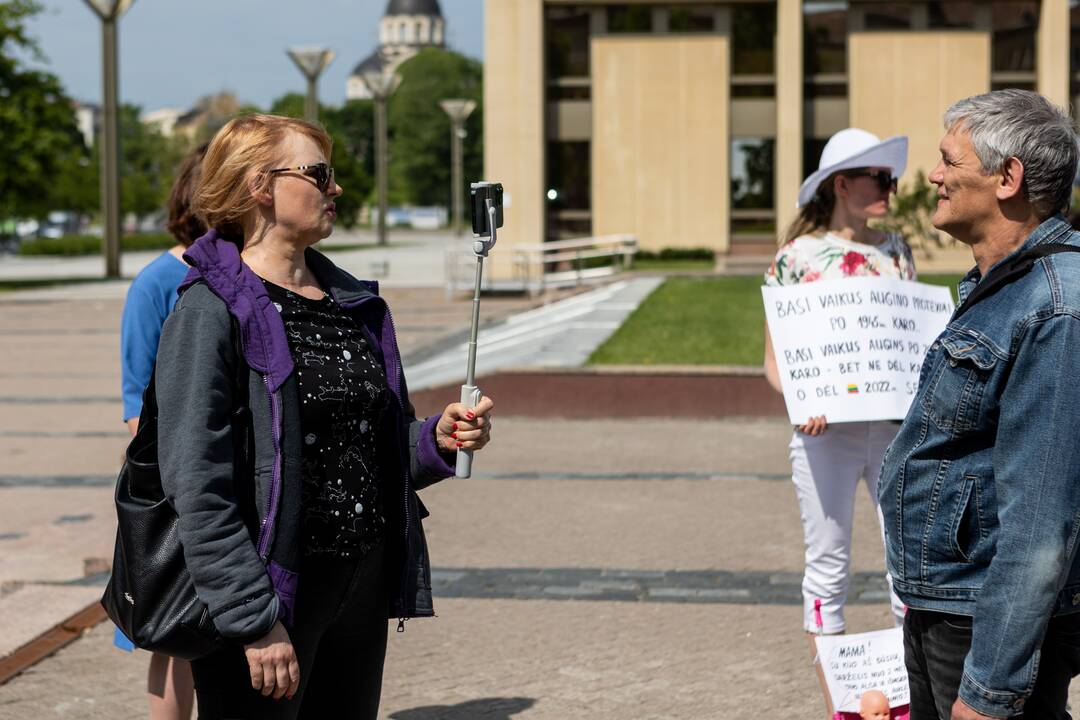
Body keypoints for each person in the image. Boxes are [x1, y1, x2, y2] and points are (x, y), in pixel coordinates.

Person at [153, 114, 493, 719]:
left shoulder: (350, 303)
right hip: (270, 595)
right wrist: (251, 622)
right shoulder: (209, 312)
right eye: (320, 173)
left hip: (359, 586)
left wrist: (433, 440)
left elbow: (366, 446)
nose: (336, 188)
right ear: (261, 186)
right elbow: (196, 483)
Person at [878, 90, 1080, 719]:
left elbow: (1044, 524)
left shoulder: (1056, 310)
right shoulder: (1003, 287)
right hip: (948, 604)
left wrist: (989, 690)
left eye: (949, 161)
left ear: (1007, 178)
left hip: (983, 621)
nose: (933, 177)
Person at [763, 128, 911, 716]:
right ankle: (841, 705)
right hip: (825, 437)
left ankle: (905, 697)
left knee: (908, 564)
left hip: (894, 430)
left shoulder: (898, 247)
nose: (890, 191)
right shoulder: (794, 259)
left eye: (891, 179)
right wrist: (802, 401)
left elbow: (904, 337)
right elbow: (773, 362)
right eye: (880, 180)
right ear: (842, 185)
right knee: (828, 563)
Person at [118, 143, 207, 720]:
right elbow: (135, 401)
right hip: (175, 486)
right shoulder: (158, 282)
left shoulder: (255, 276)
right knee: (175, 636)